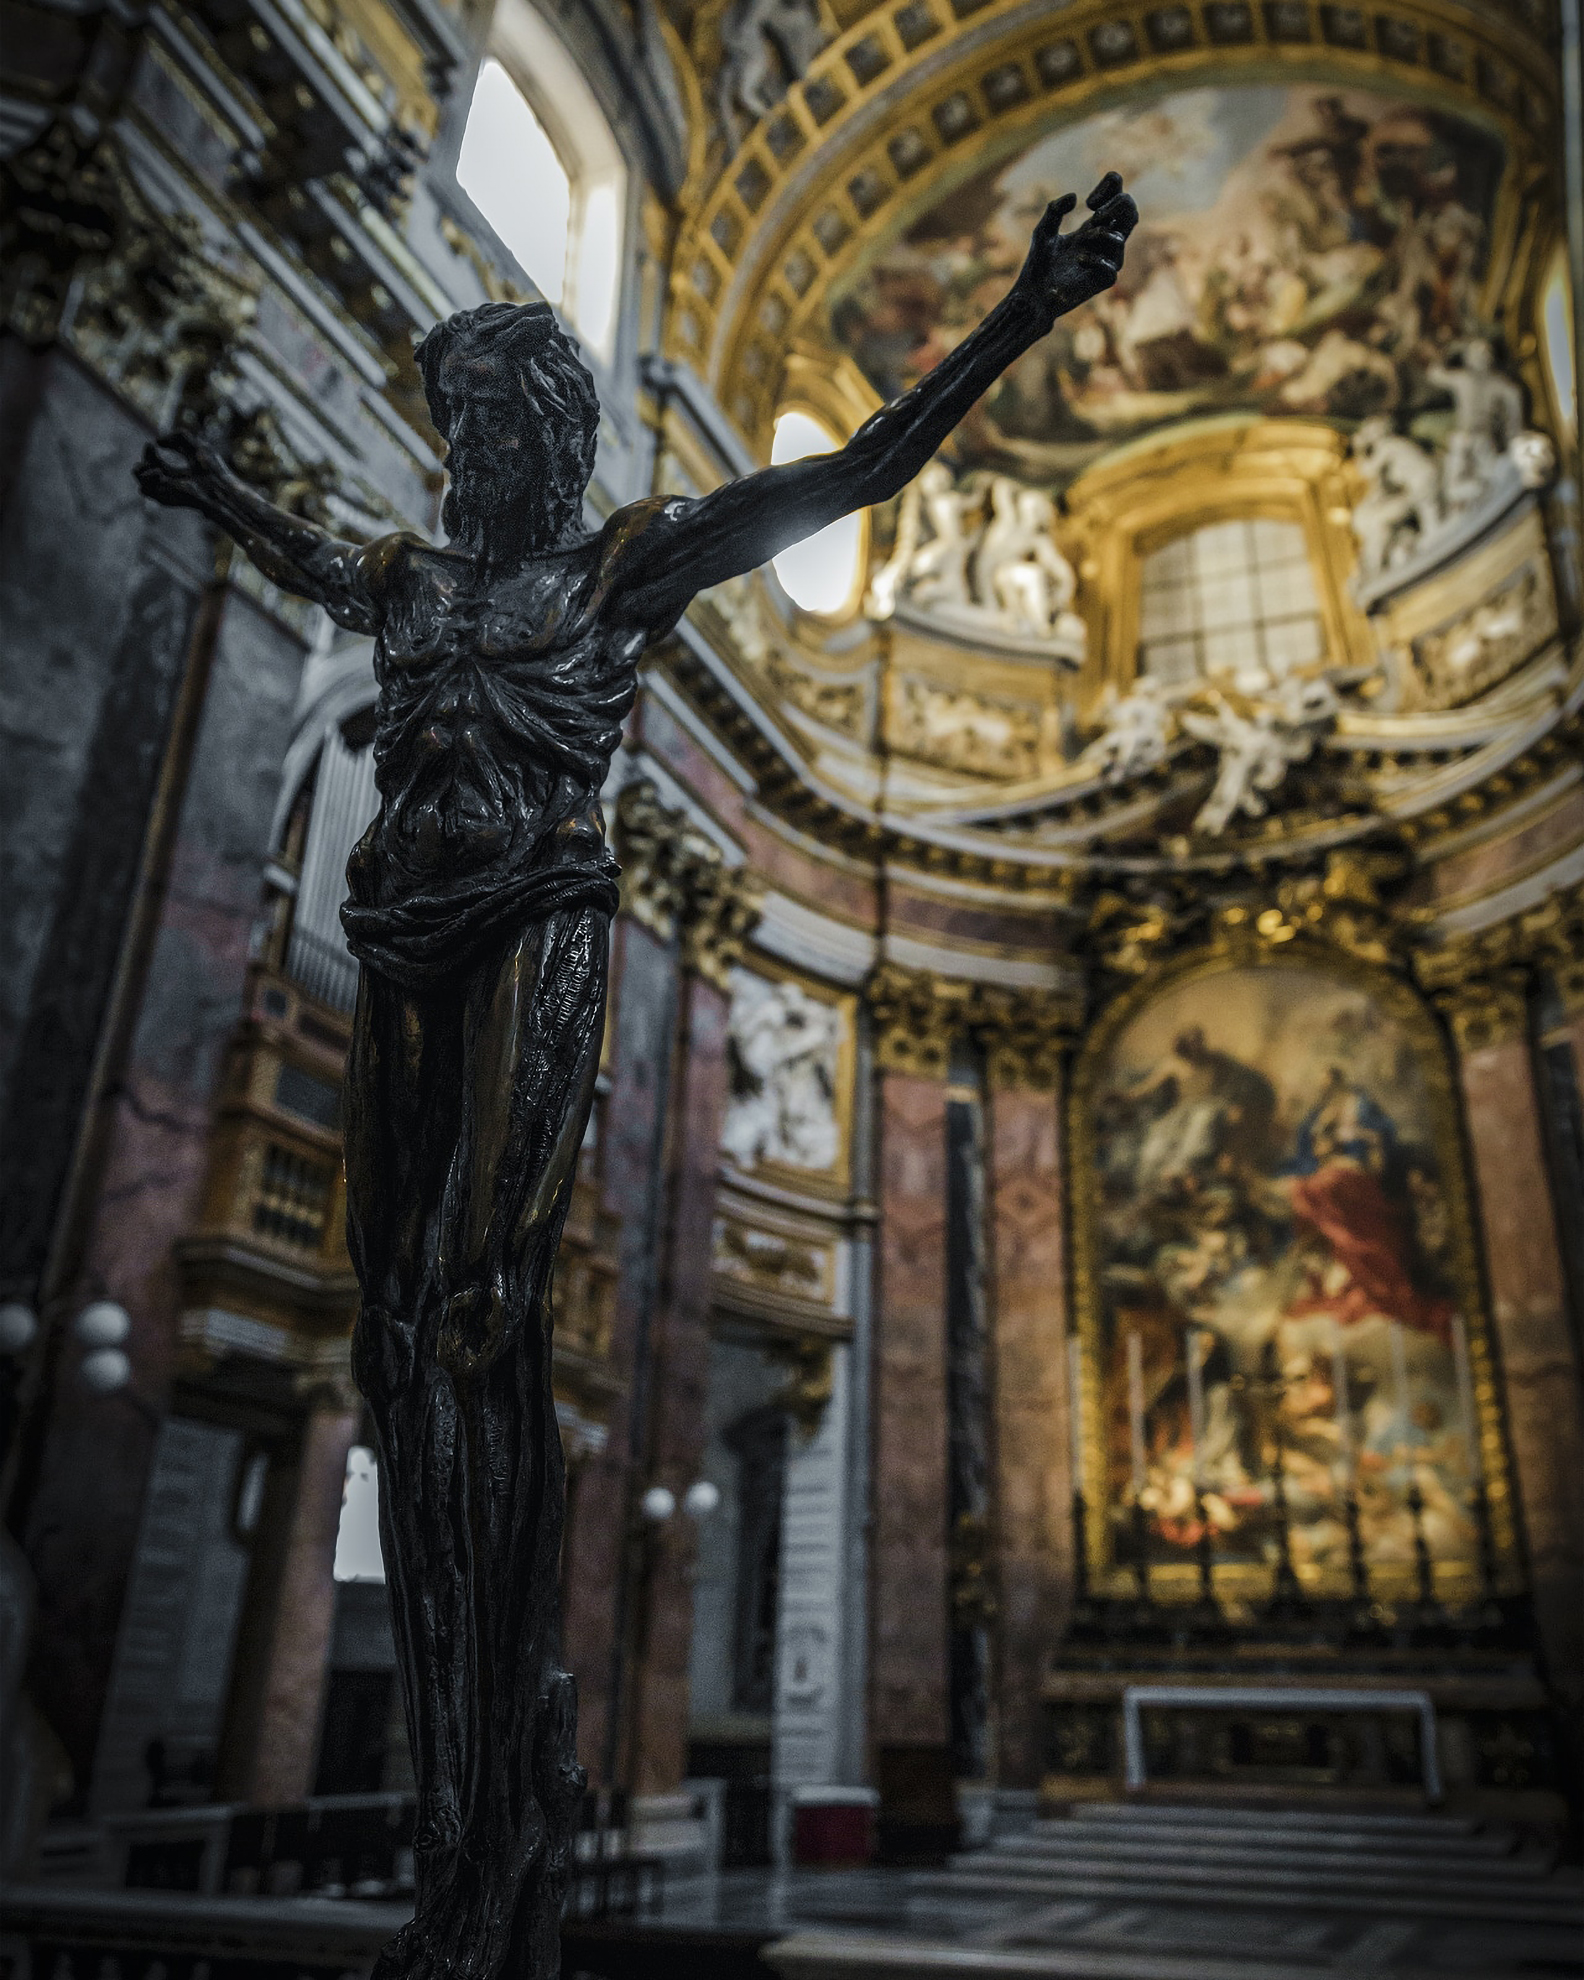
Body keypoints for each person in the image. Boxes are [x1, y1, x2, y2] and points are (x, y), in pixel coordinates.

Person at [133, 177, 1138, 1978]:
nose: (462, 458)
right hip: (399, 939)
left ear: (548, 440)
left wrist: (1023, 312)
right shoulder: (411, 581)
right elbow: (299, 548)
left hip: (542, 922)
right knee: (386, 1325)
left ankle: (499, 1795)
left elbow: (859, 474)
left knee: (480, 1312)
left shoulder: (624, 564)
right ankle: (466, 1793)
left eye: (490, 426)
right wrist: (212, 488)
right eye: (450, 429)